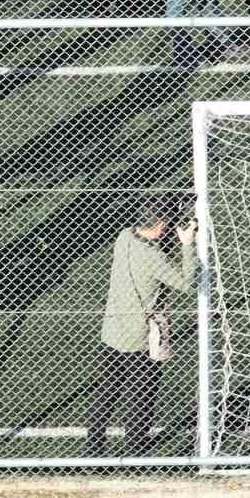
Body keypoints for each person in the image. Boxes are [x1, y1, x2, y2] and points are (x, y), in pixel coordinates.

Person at [86, 195, 196, 457]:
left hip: (111, 333)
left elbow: (149, 247)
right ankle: (135, 450)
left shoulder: (124, 236)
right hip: (139, 340)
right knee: (141, 395)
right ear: (159, 225)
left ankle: (93, 451)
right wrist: (187, 245)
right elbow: (185, 282)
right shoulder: (153, 257)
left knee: (105, 393)